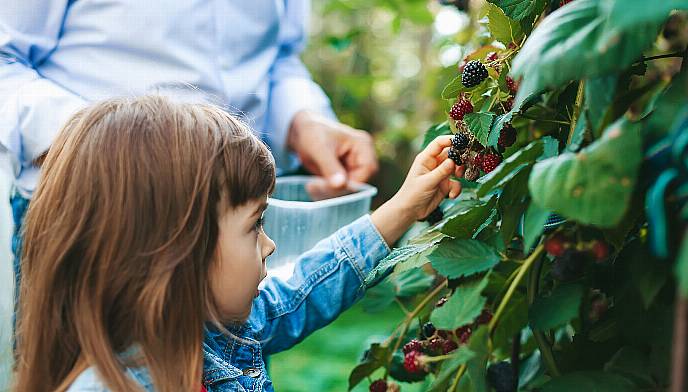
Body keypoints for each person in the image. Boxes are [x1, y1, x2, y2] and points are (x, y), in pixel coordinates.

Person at [14, 96, 463, 392]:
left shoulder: (212, 332)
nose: (269, 245)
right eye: (254, 226)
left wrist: (403, 208)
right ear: (176, 252)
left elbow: (306, 288)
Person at [0, 0, 378, 300]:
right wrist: (117, 153)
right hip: (93, 218)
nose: (273, 248)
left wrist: (300, 119)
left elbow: (279, 56)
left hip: (228, 227)